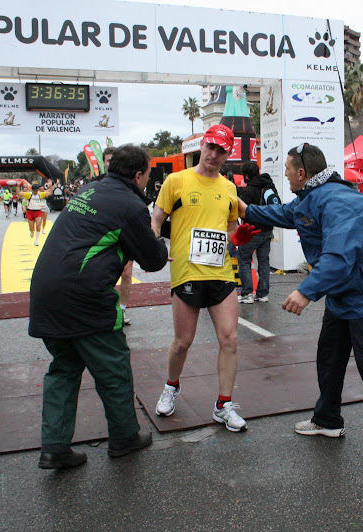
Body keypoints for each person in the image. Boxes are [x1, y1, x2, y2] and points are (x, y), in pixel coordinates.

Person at [240, 143, 363, 468]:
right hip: (349, 278)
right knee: (330, 352)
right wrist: (242, 209)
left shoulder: (335, 201)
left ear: (302, 173)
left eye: (287, 170)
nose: (284, 176)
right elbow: (283, 214)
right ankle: (328, 419)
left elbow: (339, 257)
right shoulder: (310, 198)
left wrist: (306, 291)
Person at [29, 145, 168, 469]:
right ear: (138, 175)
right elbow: (153, 258)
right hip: (85, 296)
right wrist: (157, 242)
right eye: (147, 175)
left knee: (63, 368)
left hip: (46, 291)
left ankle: (54, 447)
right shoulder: (130, 203)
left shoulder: (89, 190)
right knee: (113, 368)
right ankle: (124, 437)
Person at [151, 124, 253, 432]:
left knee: (230, 339)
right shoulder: (176, 181)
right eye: (210, 147)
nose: (213, 154)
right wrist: (155, 244)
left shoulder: (230, 188)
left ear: (228, 154)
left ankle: (223, 405)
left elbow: (232, 228)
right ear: (202, 146)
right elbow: (156, 219)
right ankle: (171, 386)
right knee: (183, 342)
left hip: (221, 273)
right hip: (187, 272)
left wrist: (239, 236)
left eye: (221, 150)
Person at [236, 161, 280, 304]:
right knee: (264, 262)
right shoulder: (269, 186)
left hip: (251, 231)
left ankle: (247, 293)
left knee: (244, 260)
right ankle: (262, 294)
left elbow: (242, 212)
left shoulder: (249, 190)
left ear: (247, 175)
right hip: (267, 230)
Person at [103, 147, 134, 326]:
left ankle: (122, 310)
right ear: (104, 163)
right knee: (106, 273)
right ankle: (106, 309)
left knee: (127, 272)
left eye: (114, 160)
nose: (112, 163)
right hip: (103, 239)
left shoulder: (129, 184)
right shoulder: (96, 183)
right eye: (108, 160)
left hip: (124, 235)